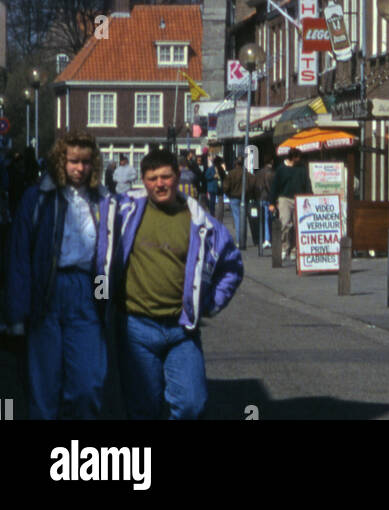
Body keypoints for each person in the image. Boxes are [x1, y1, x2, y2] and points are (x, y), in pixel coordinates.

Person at [99, 147, 243, 420]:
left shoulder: (200, 221)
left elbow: (232, 266)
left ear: (178, 177)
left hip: (182, 330)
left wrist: (211, 304)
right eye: (152, 178)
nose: (159, 184)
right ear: (142, 179)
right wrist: (100, 300)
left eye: (165, 177)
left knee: (192, 404)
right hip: (135, 329)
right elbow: (99, 259)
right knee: (143, 409)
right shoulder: (123, 211)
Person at [5, 129, 108, 419]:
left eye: (86, 162)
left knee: (87, 384)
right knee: (45, 385)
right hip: (47, 292)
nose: (79, 168)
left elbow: (105, 260)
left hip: (86, 291)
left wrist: (104, 301)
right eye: (73, 161)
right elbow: (20, 257)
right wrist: (16, 314)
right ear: (60, 160)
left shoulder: (101, 201)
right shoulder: (37, 198)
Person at [269, 149, 310, 260]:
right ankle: (284, 247)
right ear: (293, 157)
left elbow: (307, 183)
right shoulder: (281, 169)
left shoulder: (302, 169)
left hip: (299, 198)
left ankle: (294, 249)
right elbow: (275, 187)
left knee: (298, 225)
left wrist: (310, 197)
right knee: (285, 223)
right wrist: (272, 202)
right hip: (284, 198)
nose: (299, 160)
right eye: (298, 157)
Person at [253, 158, 275, 248]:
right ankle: (268, 238)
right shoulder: (272, 173)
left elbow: (255, 185)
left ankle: (265, 238)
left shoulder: (258, 173)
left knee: (264, 219)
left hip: (261, 198)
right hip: (269, 198)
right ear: (272, 162)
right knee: (270, 218)